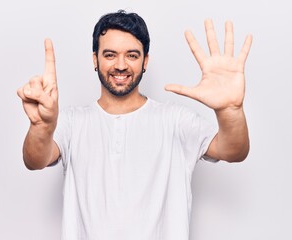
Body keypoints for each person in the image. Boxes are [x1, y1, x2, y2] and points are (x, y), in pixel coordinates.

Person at [17, 10, 252, 240]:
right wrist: (41, 127)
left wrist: (230, 111)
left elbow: (233, 151)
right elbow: (35, 160)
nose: (121, 65)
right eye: (110, 55)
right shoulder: (72, 122)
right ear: (95, 60)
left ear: (145, 60)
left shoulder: (175, 120)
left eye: (132, 55)